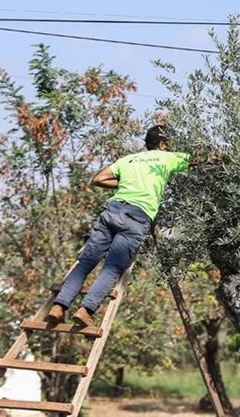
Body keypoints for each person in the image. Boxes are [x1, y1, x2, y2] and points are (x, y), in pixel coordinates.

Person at [47, 125, 194, 327]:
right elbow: (201, 159)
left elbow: (98, 179)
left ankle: (59, 306)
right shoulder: (167, 157)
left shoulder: (129, 159)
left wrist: (125, 184)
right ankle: (86, 310)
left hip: (112, 211)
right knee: (112, 268)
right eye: (169, 144)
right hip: (136, 217)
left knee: (86, 262)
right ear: (162, 144)